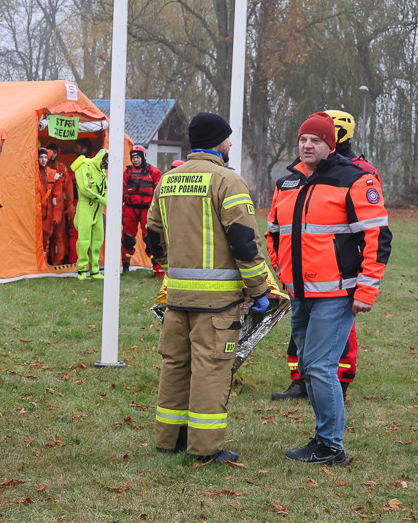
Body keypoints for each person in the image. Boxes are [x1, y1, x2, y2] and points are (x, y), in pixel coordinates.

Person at [267, 112, 391, 466]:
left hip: (336, 295)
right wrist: (282, 271)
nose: (307, 145)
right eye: (303, 139)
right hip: (300, 294)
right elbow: (274, 232)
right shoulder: (287, 182)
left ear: (330, 144)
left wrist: (366, 291)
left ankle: (330, 446)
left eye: (315, 141)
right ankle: (326, 440)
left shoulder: (355, 179)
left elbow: (377, 237)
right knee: (309, 366)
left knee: (320, 367)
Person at [146, 112, 270, 464]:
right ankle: (204, 449)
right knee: (211, 369)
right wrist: (260, 291)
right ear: (218, 141)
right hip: (217, 304)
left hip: (177, 298)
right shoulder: (228, 181)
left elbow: (152, 234)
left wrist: (170, 266)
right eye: (228, 139)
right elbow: (245, 243)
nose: (231, 144)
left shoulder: (168, 180)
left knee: (175, 366)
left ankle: (168, 441)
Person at [121, 145, 162, 276]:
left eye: (138, 157)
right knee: (127, 238)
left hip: (147, 210)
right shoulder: (127, 173)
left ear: (143, 157)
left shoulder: (154, 172)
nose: (136, 160)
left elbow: (159, 192)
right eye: (133, 157)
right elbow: (121, 190)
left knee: (150, 238)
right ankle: (126, 266)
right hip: (130, 209)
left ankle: (156, 267)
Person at [73, 148, 108, 279]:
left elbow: (105, 188)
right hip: (85, 209)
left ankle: (94, 270)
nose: (104, 166)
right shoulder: (84, 167)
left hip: (97, 210)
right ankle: (81, 270)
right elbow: (84, 189)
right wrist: (103, 200)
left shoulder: (102, 171)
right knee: (84, 241)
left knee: (98, 240)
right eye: (104, 162)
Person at [45, 143, 73, 264]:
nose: (52, 155)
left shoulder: (62, 168)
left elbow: (68, 190)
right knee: (43, 238)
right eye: (50, 152)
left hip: (59, 209)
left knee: (58, 237)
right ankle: (44, 263)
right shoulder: (41, 167)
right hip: (44, 208)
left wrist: (69, 206)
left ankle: (58, 262)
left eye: (54, 152)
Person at [37, 147, 62, 263]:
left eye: (45, 157)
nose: (43, 160)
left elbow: (58, 197)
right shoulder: (33, 174)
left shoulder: (53, 175)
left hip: (48, 213)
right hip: (36, 213)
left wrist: (56, 216)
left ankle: (44, 263)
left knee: (46, 239)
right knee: (36, 239)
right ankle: (37, 263)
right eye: (41, 157)